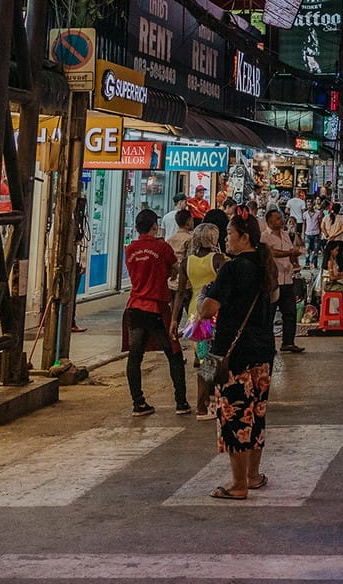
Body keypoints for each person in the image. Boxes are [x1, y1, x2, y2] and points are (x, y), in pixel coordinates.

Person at [198, 215, 278, 500]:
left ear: (244, 237)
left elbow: (208, 309)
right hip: (263, 353)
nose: (226, 239)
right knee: (256, 414)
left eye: (230, 234)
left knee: (235, 418)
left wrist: (205, 295)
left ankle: (238, 484)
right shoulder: (266, 267)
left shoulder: (232, 270)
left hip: (236, 356)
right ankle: (253, 476)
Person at [125, 207, 190, 417]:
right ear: (154, 226)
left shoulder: (130, 249)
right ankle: (181, 403)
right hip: (157, 307)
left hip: (135, 306)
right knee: (174, 354)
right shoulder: (162, 248)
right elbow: (174, 270)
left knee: (135, 356)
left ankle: (138, 402)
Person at [185, 223, 225, 417]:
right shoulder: (218, 259)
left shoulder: (188, 261)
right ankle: (204, 405)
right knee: (212, 360)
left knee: (203, 358)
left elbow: (179, 293)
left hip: (194, 314)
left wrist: (175, 320)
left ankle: (205, 403)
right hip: (212, 314)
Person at [265, 209, 307, 355]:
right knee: (269, 315)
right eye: (277, 219)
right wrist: (291, 253)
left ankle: (288, 342)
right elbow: (272, 253)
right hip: (273, 281)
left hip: (287, 279)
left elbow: (291, 250)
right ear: (270, 221)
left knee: (290, 312)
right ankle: (268, 346)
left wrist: (294, 262)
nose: (281, 221)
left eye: (281, 218)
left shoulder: (285, 235)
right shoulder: (265, 237)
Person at [320, 201, 343, 271]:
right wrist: (334, 235)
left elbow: (322, 227)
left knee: (326, 257)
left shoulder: (326, 217)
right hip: (338, 240)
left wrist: (327, 235)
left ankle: (325, 271)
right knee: (339, 258)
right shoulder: (340, 218)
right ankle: (340, 272)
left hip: (328, 240)